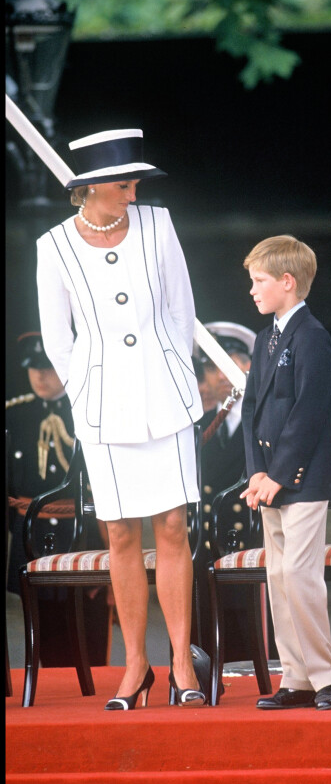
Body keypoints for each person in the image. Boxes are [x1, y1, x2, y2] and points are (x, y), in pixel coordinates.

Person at [36, 128, 208, 710]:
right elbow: (59, 341)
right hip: (102, 410)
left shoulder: (160, 224)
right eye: (123, 184)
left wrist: (172, 374)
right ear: (90, 187)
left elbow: (182, 310)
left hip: (168, 400)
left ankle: (182, 662)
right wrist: (89, 391)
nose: (133, 194)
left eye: (136, 183)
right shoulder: (52, 246)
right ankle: (136, 665)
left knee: (174, 528)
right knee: (118, 534)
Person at [240, 234, 331, 710]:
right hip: (273, 482)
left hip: (302, 480)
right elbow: (251, 414)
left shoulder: (312, 336)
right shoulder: (265, 339)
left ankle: (327, 678)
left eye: (259, 280)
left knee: (301, 577)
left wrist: (279, 474)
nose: (252, 290)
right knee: (279, 578)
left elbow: (309, 412)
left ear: (288, 281)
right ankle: (296, 677)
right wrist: (256, 473)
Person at [6, 332, 111, 666]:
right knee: (39, 627)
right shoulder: (14, 416)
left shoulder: (92, 407)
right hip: (31, 534)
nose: (39, 376)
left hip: (82, 532)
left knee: (86, 625)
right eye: (33, 368)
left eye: (48, 368)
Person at [193, 321, 263, 660]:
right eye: (212, 366)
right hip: (207, 539)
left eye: (230, 362)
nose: (221, 374)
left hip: (251, 534)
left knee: (253, 626)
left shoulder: (264, 420)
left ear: (249, 365)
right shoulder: (198, 425)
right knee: (207, 620)